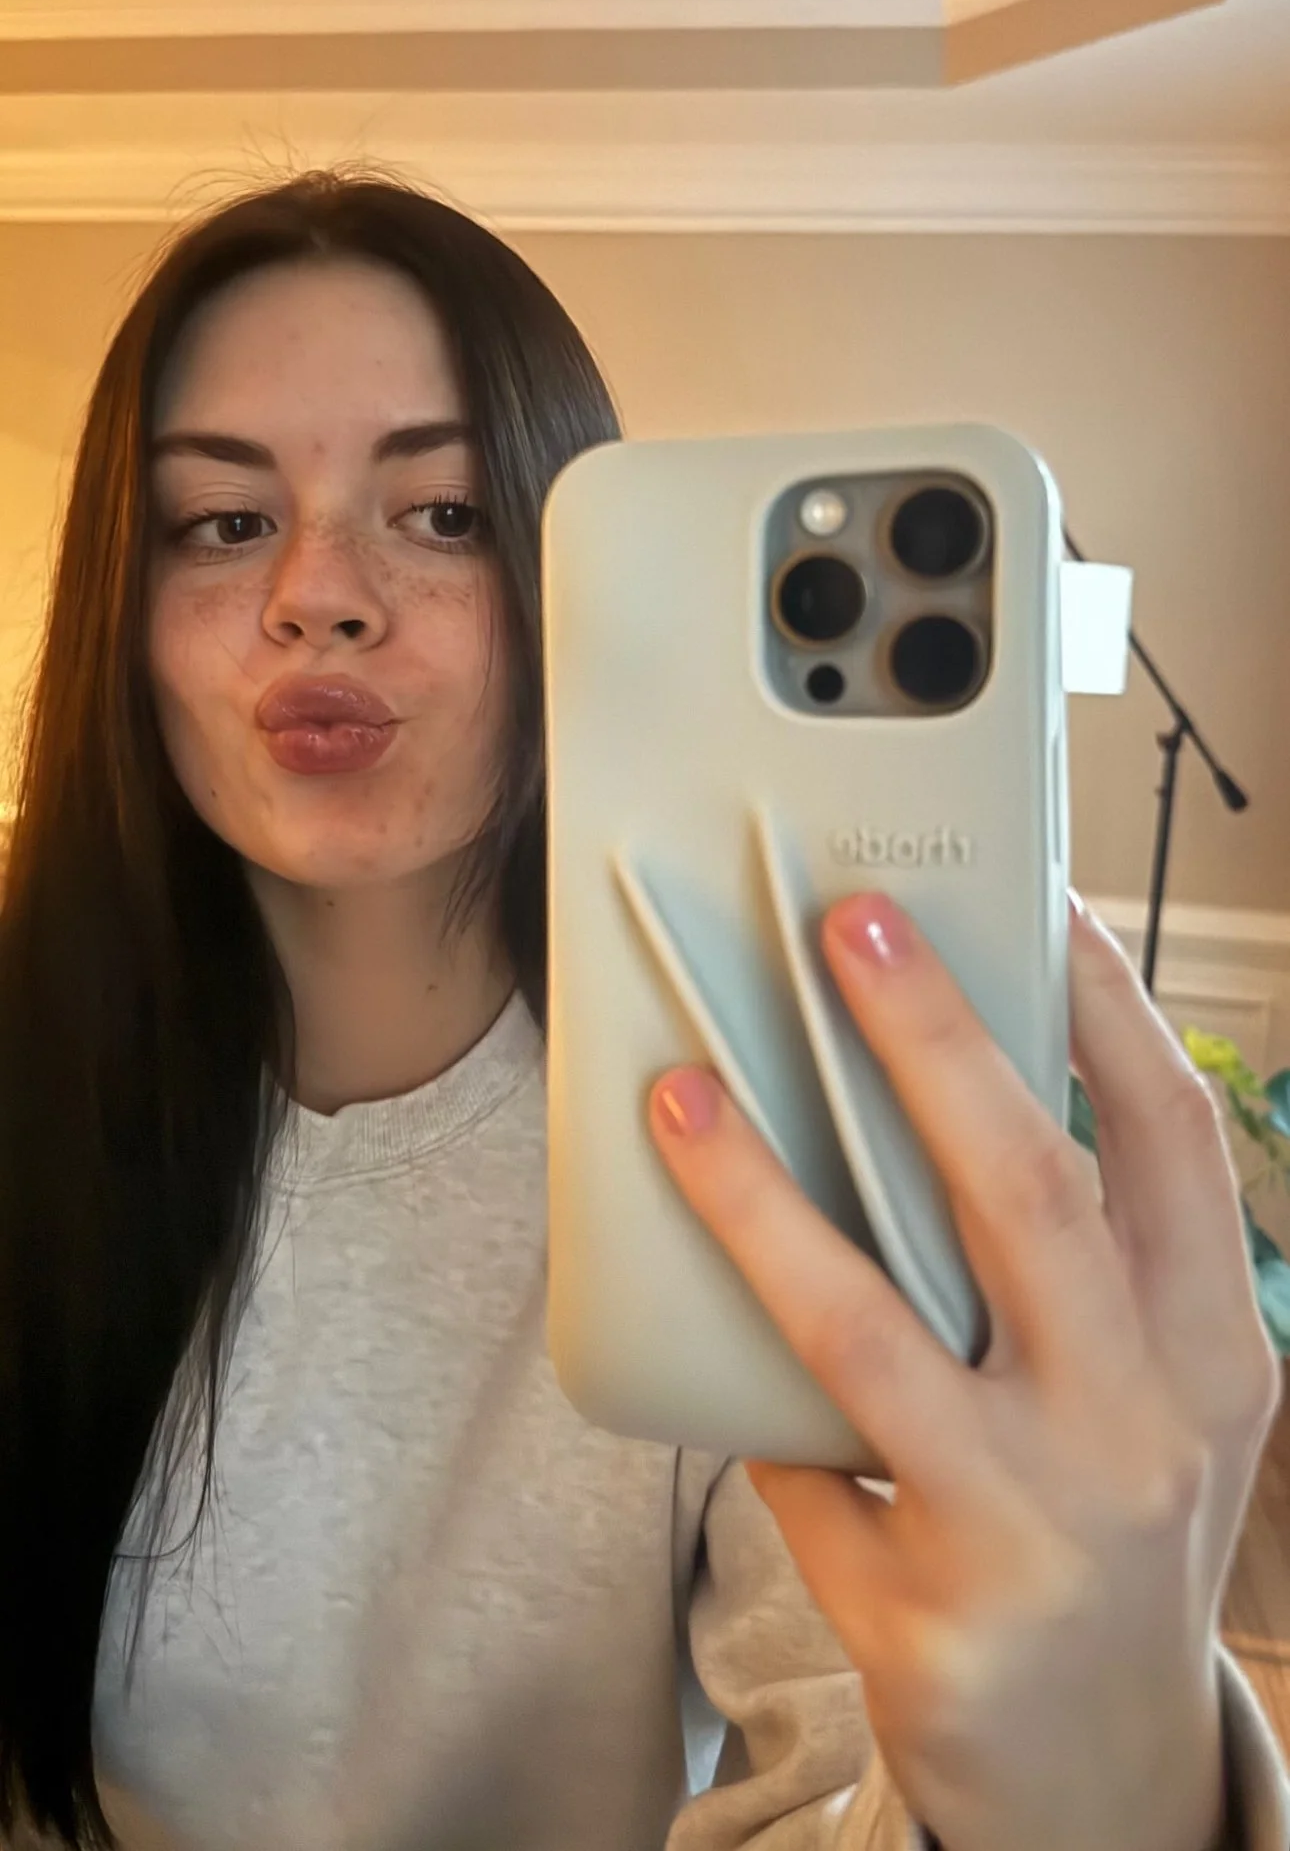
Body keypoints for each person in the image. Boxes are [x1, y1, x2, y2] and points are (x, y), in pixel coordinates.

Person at [0, 171, 1284, 1851]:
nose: (320, 592)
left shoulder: (727, 1150)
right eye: (224, 523)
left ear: (571, 584)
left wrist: (1106, 1799)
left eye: (443, 512)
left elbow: (835, 1779)